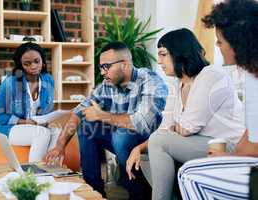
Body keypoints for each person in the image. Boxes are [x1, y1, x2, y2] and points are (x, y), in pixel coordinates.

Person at [126, 28, 245, 200]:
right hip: (200, 144)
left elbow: (187, 129)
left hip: (230, 147)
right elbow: (166, 128)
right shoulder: (177, 82)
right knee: (146, 154)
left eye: (163, 54)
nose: (159, 61)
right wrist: (138, 148)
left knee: (158, 141)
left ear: (179, 51)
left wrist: (174, 129)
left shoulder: (211, 75)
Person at [44, 42, 168, 199]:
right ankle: (94, 192)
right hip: (122, 140)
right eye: (100, 67)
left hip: (149, 141)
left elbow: (141, 123)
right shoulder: (108, 85)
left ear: (124, 65)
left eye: (106, 66)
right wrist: (59, 145)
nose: (102, 72)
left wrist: (102, 115)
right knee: (88, 125)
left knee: (121, 135)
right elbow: (79, 111)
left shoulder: (150, 80)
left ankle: (140, 195)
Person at [178, 0, 258, 199]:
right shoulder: (252, 75)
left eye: (220, 41)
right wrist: (229, 158)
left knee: (190, 174)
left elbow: (254, 147)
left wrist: (230, 158)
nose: (217, 46)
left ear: (239, 43)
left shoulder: (252, 79)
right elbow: (250, 136)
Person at [0, 42, 60, 163]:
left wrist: (46, 121)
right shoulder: (10, 83)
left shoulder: (48, 80)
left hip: (35, 125)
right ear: (20, 66)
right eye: (27, 64)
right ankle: (34, 173)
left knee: (57, 131)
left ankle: (50, 168)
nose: (33, 66)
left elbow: (47, 110)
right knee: (41, 133)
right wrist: (24, 121)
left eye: (36, 61)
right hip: (9, 127)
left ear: (43, 61)